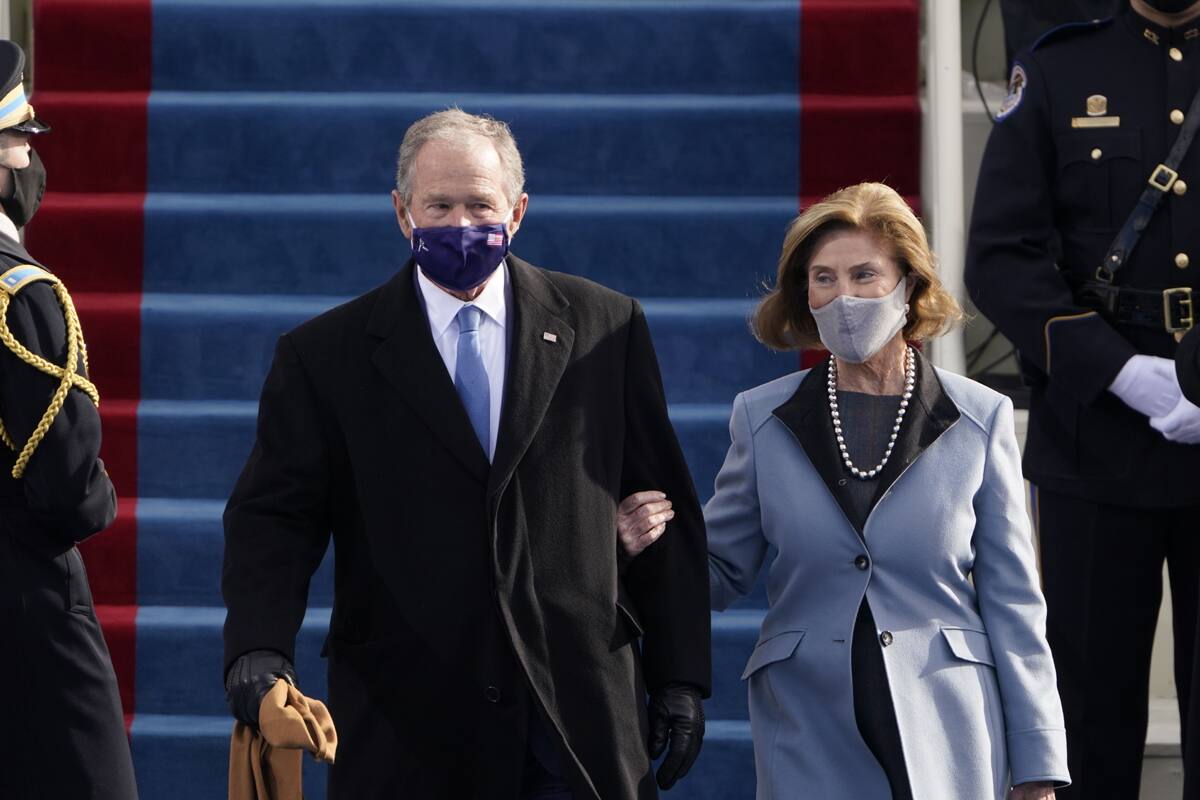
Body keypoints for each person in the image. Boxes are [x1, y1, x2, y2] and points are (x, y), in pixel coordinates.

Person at [221, 109, 711, 800]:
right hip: (407, 713)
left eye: (480, 204)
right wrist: (259, 647)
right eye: (438, 205)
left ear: (517, 211)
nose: (460, 224)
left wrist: (680, 674)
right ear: (401, 213)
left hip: (573, 706)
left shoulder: (605, 326)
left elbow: (661, 505)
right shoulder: (324, 356)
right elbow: (276, 516)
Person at [620, 183, 1069, 799]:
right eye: (823, 278)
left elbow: (1014, 599)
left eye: (865, 275)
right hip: (807, 712)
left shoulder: (979, 416)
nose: (844, 296)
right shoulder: (762, 415)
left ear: (908, 286)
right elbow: (718, 570)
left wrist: (1040, 764)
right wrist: (637, 547)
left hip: (948, 714)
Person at [965, 1, 1200, 795]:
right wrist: (1123, 373)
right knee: (1088, 706)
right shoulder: (1061, 68)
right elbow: (1001, 258)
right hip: (1096, 435)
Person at [0, 41, 139, 800]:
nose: (29, 155)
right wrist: (101, 497)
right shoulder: (21, 294)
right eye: (19, 137)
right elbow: (67, 488)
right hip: (25, 606)